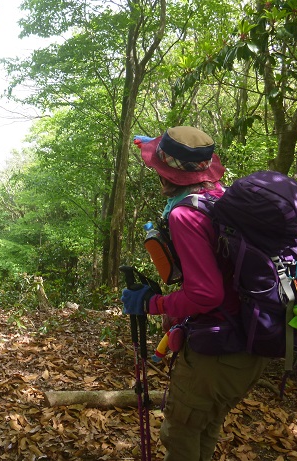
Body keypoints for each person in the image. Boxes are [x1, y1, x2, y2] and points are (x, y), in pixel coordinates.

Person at [121, 126, 270, 461]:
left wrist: (153, 303)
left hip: (218, 351)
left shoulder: (185, 215)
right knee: (205, 427)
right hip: (247, 342)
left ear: (165, 175)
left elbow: (206, 294)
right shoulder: (220, 197)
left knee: (180, 432)